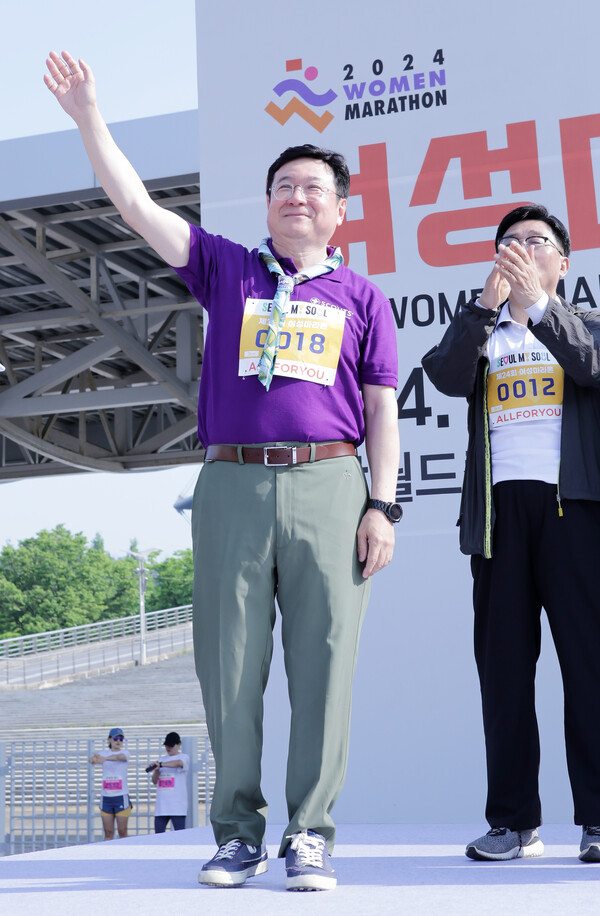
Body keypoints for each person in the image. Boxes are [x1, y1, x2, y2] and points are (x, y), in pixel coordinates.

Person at [44, 50, 400, 892]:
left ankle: (310, 834)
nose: (297, 195)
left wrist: (381, 504)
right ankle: (238, 833)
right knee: (229, 667)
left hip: (330, 485)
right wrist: (90, 116)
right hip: (233, 485)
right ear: (267, 203)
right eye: (284, 185)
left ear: (339, 212)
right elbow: (134, 207)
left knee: (324, 667)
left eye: (314, 188)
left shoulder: (363, 300)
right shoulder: (228, 269)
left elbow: (381, 410)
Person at [422, 203, 600, 863]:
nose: (521, 248)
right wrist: (483, 308)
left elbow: (589, 367)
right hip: (499, 521)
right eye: (509, 242)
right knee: (503, 673)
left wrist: (541, 307)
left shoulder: (586, 324)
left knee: (589, 668)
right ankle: (513, 821)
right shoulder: (483, 333)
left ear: (563, 262)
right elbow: (441, 376)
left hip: (574, 514)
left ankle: (598, 820)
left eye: (537, 241)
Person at [89, 726, 131, 840]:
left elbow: (120, 757)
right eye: (115, 738)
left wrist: (105, 759)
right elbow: (93, 760)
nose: (118, 741)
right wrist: (94, 758)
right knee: (108, 832)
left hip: (120, 795)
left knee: (122, 831)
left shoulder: (125, 753)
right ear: (109, 739)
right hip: (107, 796)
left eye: (121, 739)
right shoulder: (103, 753)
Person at [149, 731, 190, 833]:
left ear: (179, 744)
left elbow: (178, 763)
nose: (169, 748)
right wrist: (156, 769)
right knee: (158, 835)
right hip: (161, 806)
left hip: (177, 806)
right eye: (167, 745)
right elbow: (154, 781)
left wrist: (161, 765)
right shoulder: (161, 759)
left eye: (171, 745)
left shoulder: (184, 757)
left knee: (180, 835)